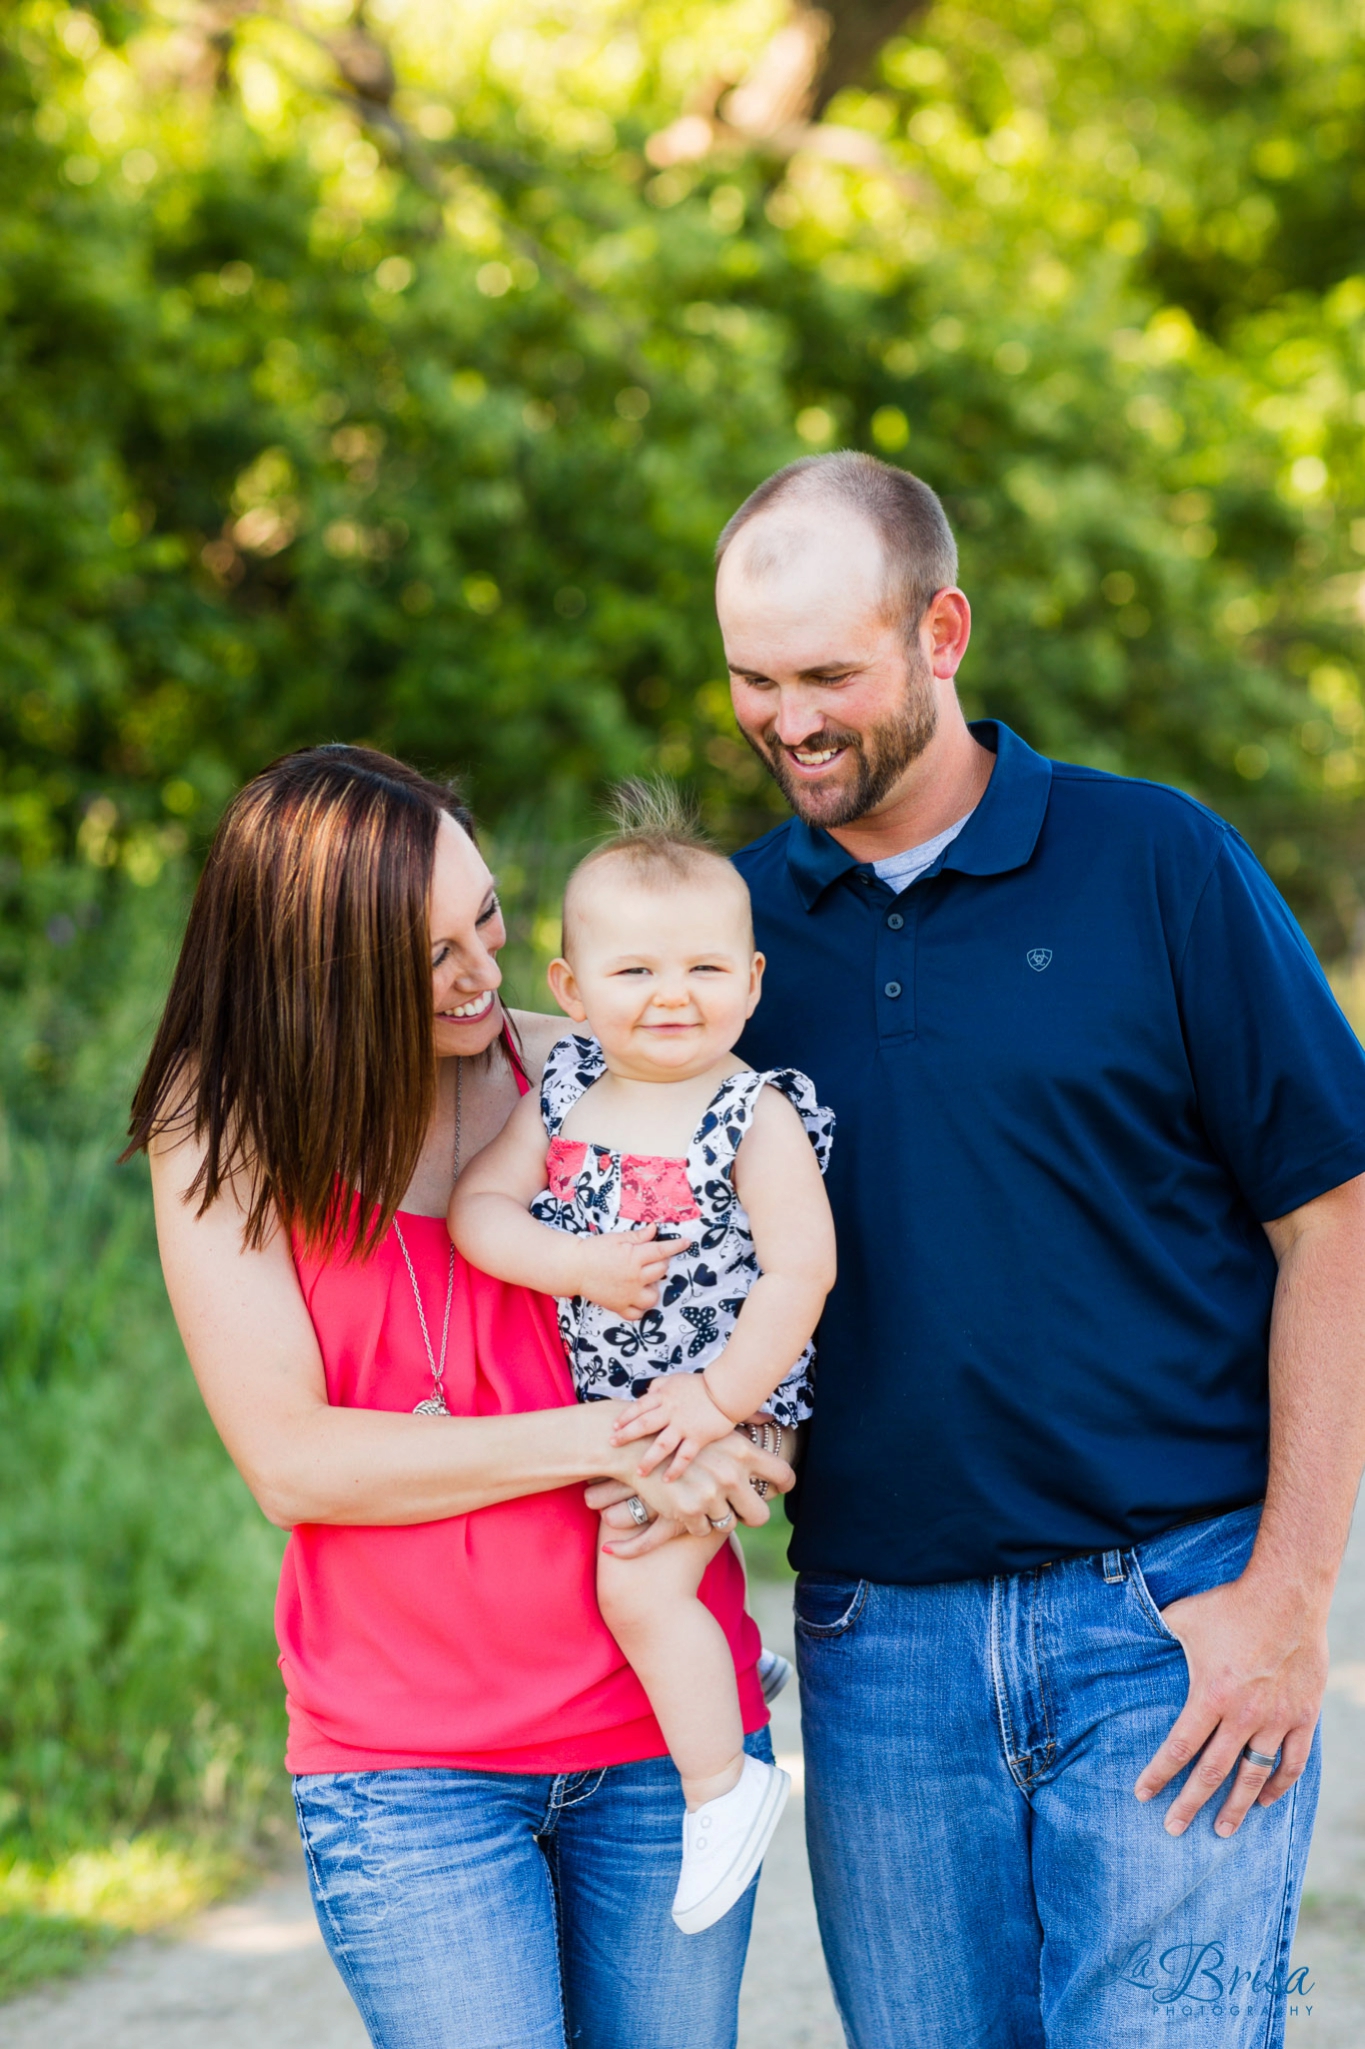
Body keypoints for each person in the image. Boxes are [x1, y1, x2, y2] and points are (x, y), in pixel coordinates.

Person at [716, 451, 1365, 2048]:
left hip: (1168, 1631)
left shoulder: (1158, 864)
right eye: (749, 677)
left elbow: (1333, 1216)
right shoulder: (721, 943)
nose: (786, 718)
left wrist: (1288, 1601)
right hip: (877, 1651)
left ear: (941, 634)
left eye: (826, 674)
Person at [126, 744, 793, 2049]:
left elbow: (731, 1302)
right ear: (314, 967)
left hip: (662, 1742)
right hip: (407, 1770)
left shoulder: (589, 1081)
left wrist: (745, 1433)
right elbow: (297, 1463)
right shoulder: (222, 1132)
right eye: (426, 954)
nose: (480, 973)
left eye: (485, 916)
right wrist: (618, 1435)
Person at [451, 784, 836, 1935]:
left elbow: (800, 1274)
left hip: (726, 1391)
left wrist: (719, 1403)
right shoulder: (564, 1089)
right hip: (613, 1392)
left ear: (753, 982)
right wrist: (576, 1269)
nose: (673, 997)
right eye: (635, 973)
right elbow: (481, 1210)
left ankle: (727, 1787)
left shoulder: (751, 1112)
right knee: (603, 1556)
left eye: (706, 972)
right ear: (570, 992)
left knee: (634, 1576)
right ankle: (729, 1665)